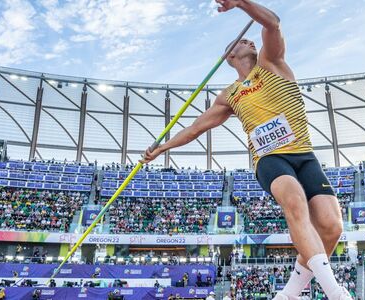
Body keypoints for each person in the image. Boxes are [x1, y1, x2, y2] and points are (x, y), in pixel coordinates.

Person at [141, 1, 350, 299]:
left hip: (303, 153)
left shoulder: (272, 63)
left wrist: (241, 3)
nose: (250, 40)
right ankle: (336, 292)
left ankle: (289, 293)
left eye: (249, 39)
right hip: (268, 158)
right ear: (230, 56)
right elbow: (195, 129)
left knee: (331, 225)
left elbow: (273, 23)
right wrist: (162, 148)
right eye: (242, 41)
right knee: (294, 202)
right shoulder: (229, 95)